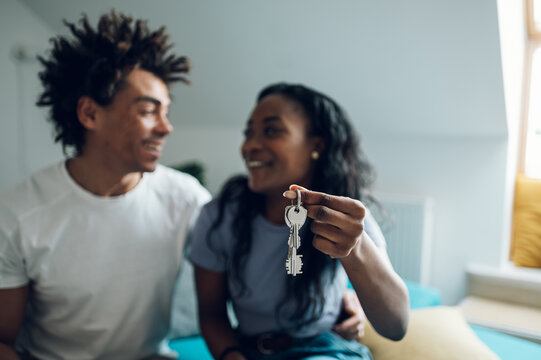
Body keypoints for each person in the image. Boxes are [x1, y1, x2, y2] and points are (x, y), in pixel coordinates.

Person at [0, 11, 210, 360]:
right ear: (90, 114)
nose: (166, 128)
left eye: (167, 112)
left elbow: (254, 260)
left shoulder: (186, 198)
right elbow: (2, 340)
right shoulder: (18, 215)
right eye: (148, 111)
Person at [190, 83, 410, 360]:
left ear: (315, 145)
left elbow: (396, 325)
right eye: (249, 133)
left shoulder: (347, 217)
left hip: (323, 350)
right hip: (249, 351)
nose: (249, 146)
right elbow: (211, 313)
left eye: (271, 130)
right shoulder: (219, 216)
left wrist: (355, 250)